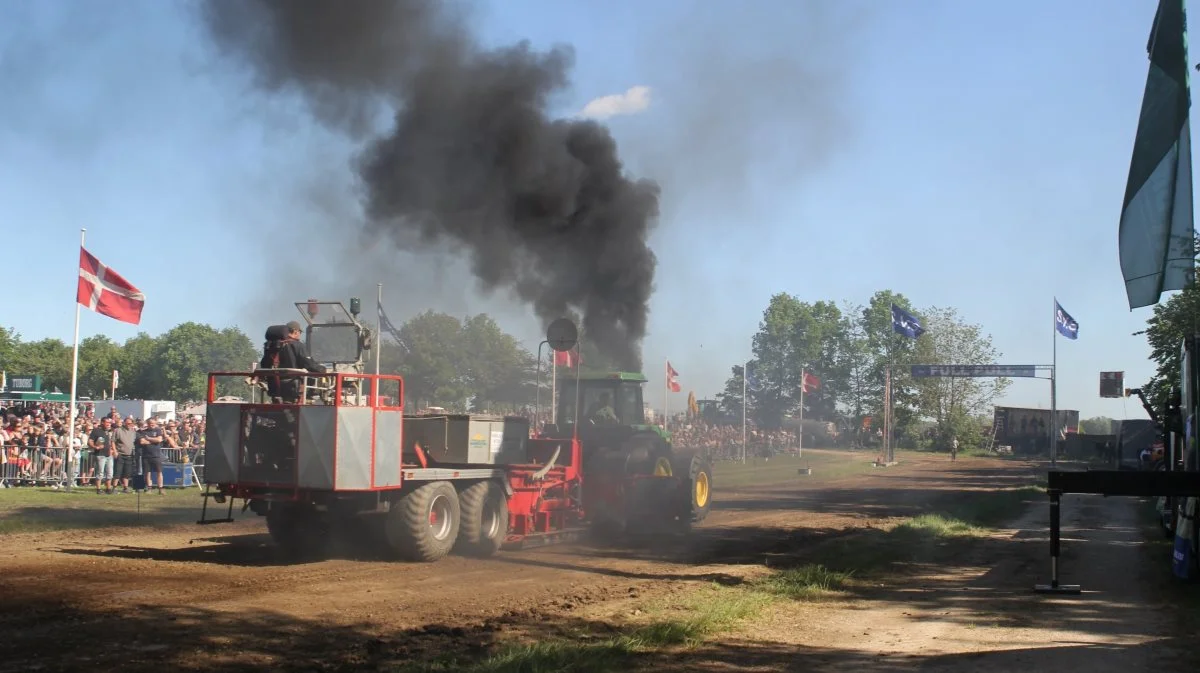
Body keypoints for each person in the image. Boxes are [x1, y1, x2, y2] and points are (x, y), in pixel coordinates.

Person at [260, 320, 327, 403]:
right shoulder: (298, 345)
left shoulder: (269, 346)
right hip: (292, 388)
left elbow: (264, 364)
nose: (300, 334)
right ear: (295, 331)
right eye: (300, 332)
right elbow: (309, 365)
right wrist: (323, 370)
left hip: (274, 388)